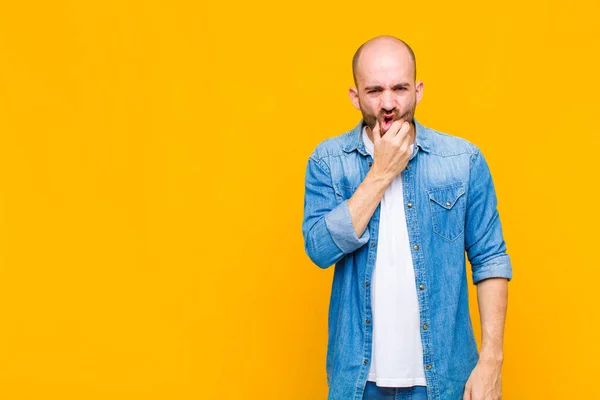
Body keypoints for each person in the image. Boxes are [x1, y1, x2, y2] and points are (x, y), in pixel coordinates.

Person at [301, 35, 512, 400]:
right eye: (374, 90)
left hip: (443, 379)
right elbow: (319, 249)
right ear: (355, 96)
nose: (388, 104)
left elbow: (490, 259)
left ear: (418, 90)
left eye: (399, 88)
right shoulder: (328, 161)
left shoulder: (462, 160)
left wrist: (491, 361)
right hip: (358, 382)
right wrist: (380, 173)